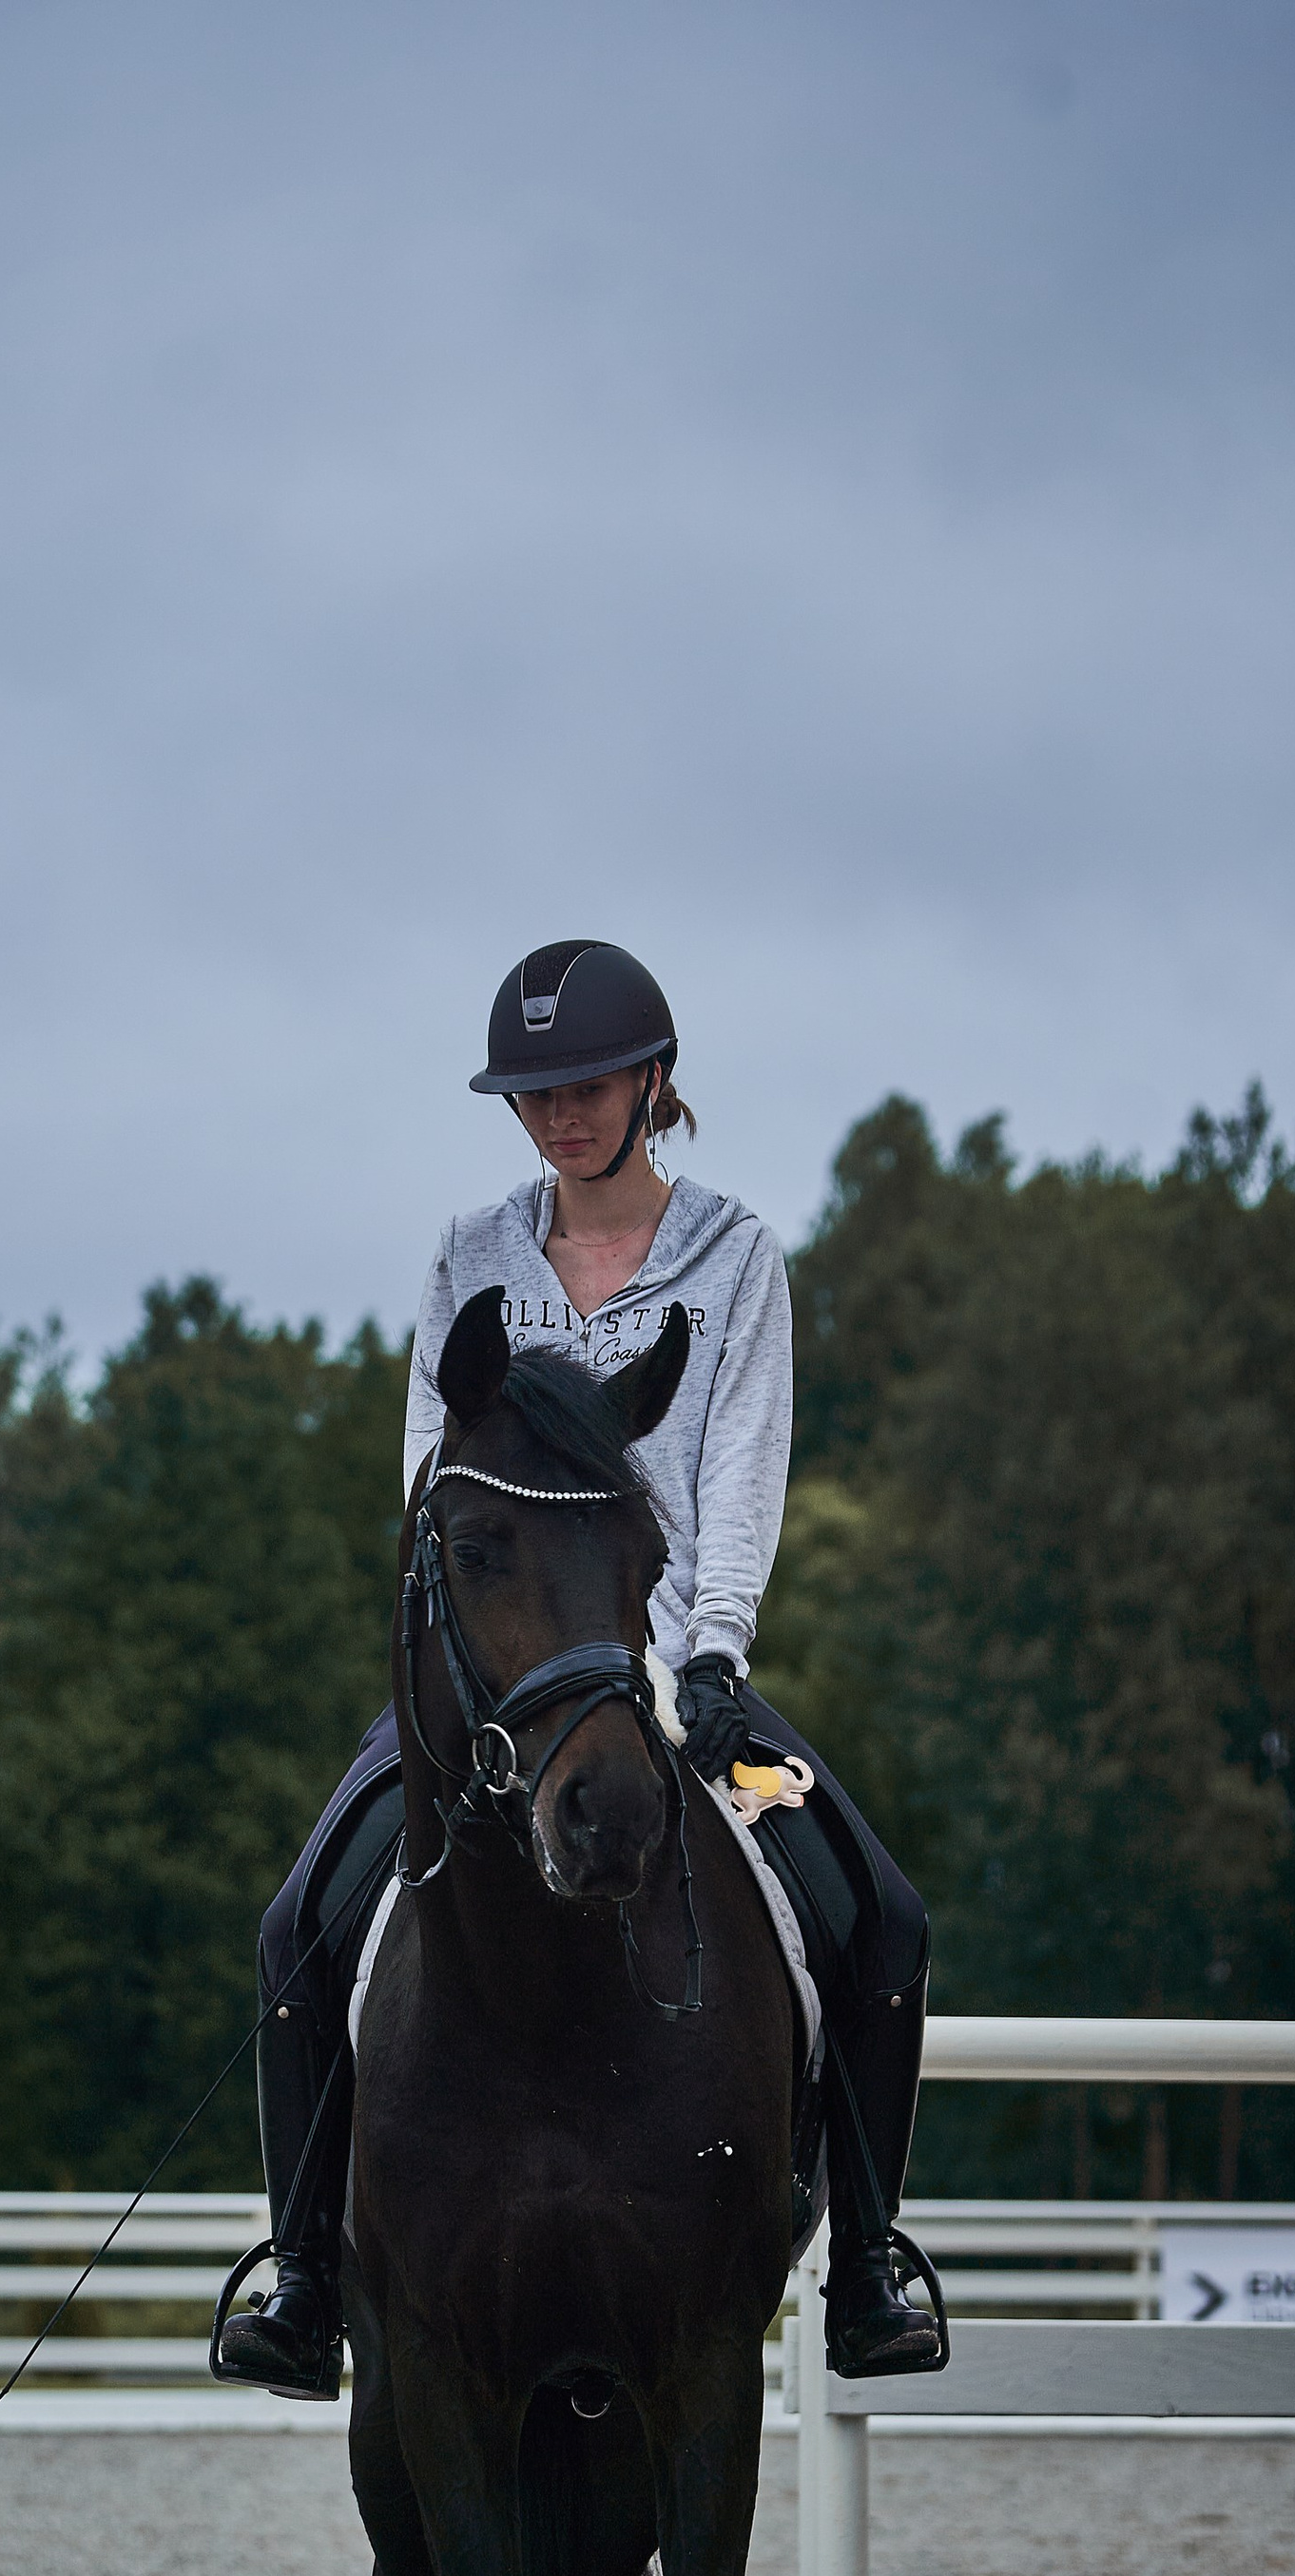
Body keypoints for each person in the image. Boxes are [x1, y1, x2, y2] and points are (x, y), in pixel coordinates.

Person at [212, 937, 944, 2401]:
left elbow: (740, 1466)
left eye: (586, 1084)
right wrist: (452, 1666)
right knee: (300, 1922)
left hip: (667, 1663)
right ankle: (303, 2274)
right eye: (534, 1091)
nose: (559, 1113)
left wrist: (719, 1651)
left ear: (652, 1082)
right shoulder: (467, 1255)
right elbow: (429, 1474)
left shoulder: (735, 1257)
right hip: (488, 1682)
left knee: (882, 1920)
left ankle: (866, 2264)